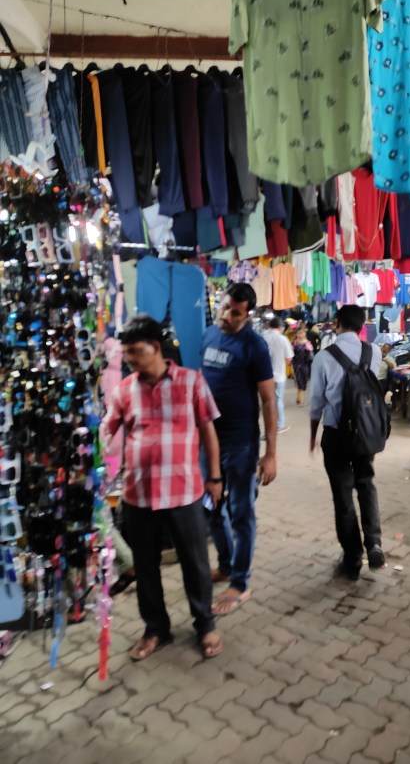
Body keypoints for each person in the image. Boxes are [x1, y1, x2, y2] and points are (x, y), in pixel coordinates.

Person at [101, 314, 223, 661]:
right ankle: (156, 629)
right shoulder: (124, 390)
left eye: (135, 352)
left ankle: (205, 623)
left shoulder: (191, 382)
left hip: (184, 493)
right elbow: (108, 431)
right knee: (146, 565)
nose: (129, 359)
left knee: (195, 563)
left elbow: (208, 431)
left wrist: (215, 478)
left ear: (155, 347)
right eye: (126, 353)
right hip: (138, 494)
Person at [200, 283, 277, 615]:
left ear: (247, 315)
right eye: (225, 307)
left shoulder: (254, 346)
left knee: (241, 512)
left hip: (240, 443)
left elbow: (268, 400)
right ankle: (226, 565)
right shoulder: (208, 335)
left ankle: (241, 582)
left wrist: (270, 453)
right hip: (208, 441)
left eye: (235, 313)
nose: (227, 316)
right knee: (211, 506)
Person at [309, 305, 386, 580]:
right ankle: (374, 543)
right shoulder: (373, 351)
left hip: (337, 434)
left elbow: (316, 402)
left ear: (337, 323)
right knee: (366, 484)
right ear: (363, 326)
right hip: (366, 431)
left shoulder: (324, 357)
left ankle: (352, 559)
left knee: (343, 496)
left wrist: (312, 435)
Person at [263, 316, 294, 433]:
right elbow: (289, 358)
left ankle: (270, 424)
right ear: (280, 327)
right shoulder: (283, 339)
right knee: (278, 399)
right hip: (279, 375)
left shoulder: (263, 337)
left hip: (264, 376)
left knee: (267, 401)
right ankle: (280, 424)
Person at [291, 328, 313, 406]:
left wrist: (309, 348)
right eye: (299, 333)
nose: (300, 335)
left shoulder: (308, 342)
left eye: (302, 333)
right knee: (299, 380)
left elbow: (311, 353)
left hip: (305, 364)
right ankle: (299, 399)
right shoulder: (294, 343)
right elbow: (291, 353)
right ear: (296, 334)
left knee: (304, 379)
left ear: (305, 334)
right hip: (296, 364)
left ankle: (299, 396)